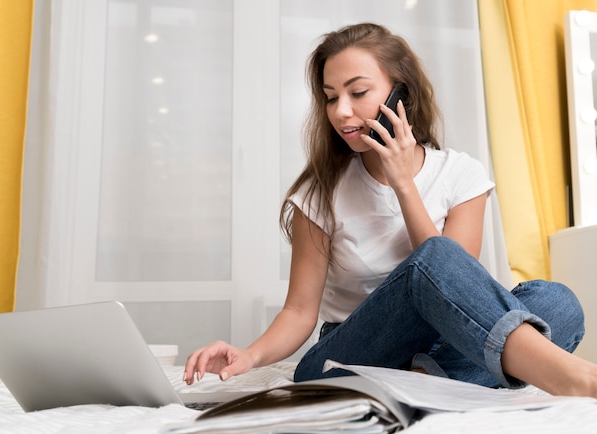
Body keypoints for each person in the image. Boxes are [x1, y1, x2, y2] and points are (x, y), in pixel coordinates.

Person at [184, 22, 597, 397]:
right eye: (330, 98)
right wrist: (250, 356)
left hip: (445, 342)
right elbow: (298, 311)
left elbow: (456, 279)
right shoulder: (321, 191)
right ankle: (569, 378)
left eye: (357, 93)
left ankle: (426, 381)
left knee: (557, 302)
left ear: (402, 94)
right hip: (351, 353)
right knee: (434, 258)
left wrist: (403, 183)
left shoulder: (460, 173)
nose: (341, 111)